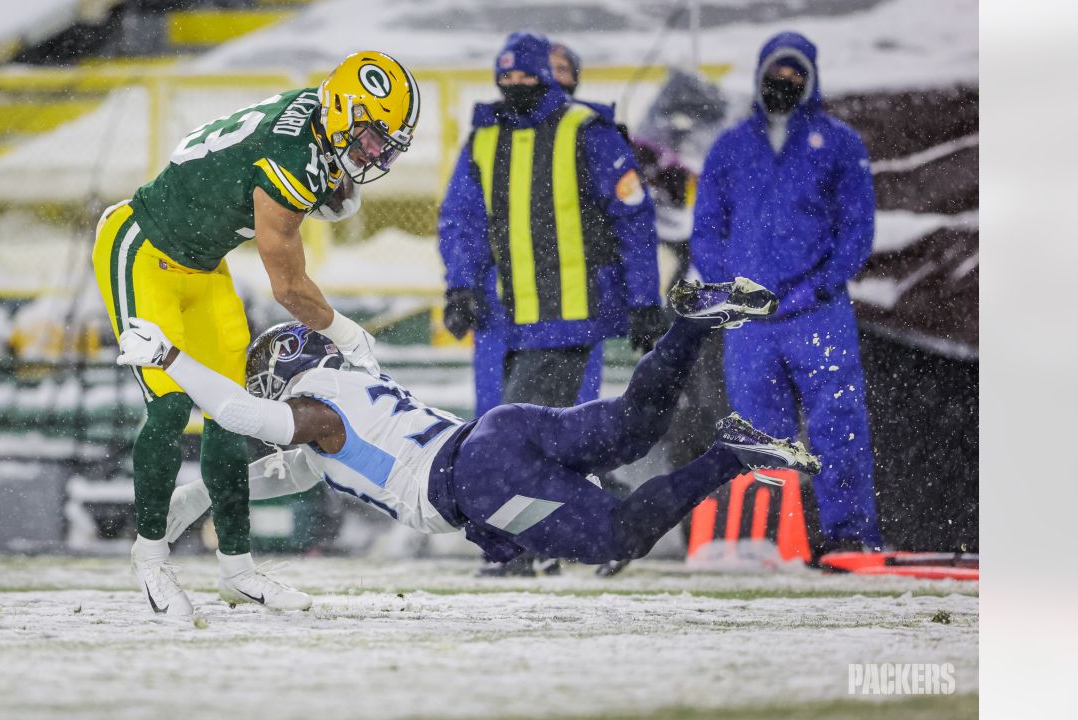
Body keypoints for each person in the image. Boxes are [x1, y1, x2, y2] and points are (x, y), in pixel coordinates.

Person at [114, 277, 820, 595]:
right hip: (499, 430)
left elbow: (242, 418)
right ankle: (696, 321)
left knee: (617, 537)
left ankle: (731, 450)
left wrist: (171, 360)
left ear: (282, 374)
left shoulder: (318, 414)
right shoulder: (351, 376)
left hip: (477, 483)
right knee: (636, 424)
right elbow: (291, 473)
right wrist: (203, 494)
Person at [92, 51, 421, 616]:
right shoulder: (290, 155)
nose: (375, 153)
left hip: (202, 266)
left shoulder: (313, 122)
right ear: (344, 110)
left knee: (231, 412)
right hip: (141, 248)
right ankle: (149, 558)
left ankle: (236, 571)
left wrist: (332, 183)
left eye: (383, 145)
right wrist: (345, 332)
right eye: (370, 138)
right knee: (170, 407)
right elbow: (289, 289)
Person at [438, 32, 664, 575]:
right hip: (501, 321)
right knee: (532, 444)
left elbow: (633, 217)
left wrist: (644, 299)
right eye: (506, 77)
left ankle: (531, 549)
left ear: (551, 77)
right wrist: (461, 287)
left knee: (521, 444)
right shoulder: (484, 138)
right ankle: (608, 530)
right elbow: (461, 221)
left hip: (568, 317)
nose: (514, 86)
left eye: (526, 77)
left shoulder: (588, 132)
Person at [690, 32, 883, 553]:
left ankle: (849, 540)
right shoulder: (731, 146)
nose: (786, 81)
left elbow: (856, 230)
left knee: (838, 427)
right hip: (751, 322)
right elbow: (707, 228)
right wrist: (731, 290)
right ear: (759, 74)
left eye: (797, 72)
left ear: (812, 78)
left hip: (817, 315)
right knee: (758, 435)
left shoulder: (839, 143)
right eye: (778, 71)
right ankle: (772, 540)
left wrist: (817, 287)